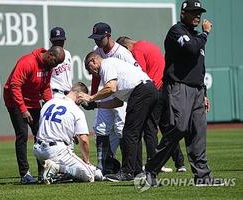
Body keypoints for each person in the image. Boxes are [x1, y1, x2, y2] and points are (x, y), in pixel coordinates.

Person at [141, 0, 224, 186]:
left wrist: (202, 93)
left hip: (196, 90)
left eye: (199, 12)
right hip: (178, 87)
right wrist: (205, 33)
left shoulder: (195, 36)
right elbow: (191, 48)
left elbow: (199, 67)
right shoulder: (177, 31)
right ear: (182, 13)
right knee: (179, 127)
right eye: (193, 11)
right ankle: (151, 169)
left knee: (198, 132)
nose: (197, 15)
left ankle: (202, 177)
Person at [79, 52, 158, 181]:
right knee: (138, 133)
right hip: (150, 90)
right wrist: (96, 105)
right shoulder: (112, 67)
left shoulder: (106, 65)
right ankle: (140, 172)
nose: (92, 73)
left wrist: (91, 97)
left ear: (93, 61)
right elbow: (117, 102)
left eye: (90, 69)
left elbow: (111, 88)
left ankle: (127, 172)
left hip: (140, 91)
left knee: (129, 133)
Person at [116, 36, 186, 173]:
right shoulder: (148, 44)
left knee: (149, 129)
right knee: (166, 128)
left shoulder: (136, 51)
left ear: (125, 47)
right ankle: (180, 162)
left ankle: (154, 162)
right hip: (164, 89)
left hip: (154, 90)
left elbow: (139, 73)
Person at [3, 46, 65, 184]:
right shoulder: (27, 62)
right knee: (22, 135)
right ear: (49, 55)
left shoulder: (48, 67)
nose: (55, 66)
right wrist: (23, 109)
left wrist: (50, 106)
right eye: (55, 62)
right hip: (15, 101)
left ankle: (43, 172)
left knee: (41, 136)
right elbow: (14, 85)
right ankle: (24, 174)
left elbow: (45, 87)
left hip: (33, 101)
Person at [87, 22, 139, 175]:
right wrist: (94, 97)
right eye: (95, 38)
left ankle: (127, 167)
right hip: (106, 93)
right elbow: (96, 77)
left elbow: (137, 72)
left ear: (108, 36)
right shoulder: (96, 51)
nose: (97, 41)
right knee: (100, 127)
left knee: (122, 129)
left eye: (99, 38)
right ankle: (104, 167)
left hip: (123, 94)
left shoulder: (122, 53)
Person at [33, 82, 103, 184]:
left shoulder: (49, 103)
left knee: (81, 170)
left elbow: (45, 126)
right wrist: (86, 162)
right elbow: (84, 140)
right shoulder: (76, 110)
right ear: (80, 95)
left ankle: (58, 171)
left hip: (38, 150)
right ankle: (57, 168)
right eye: (83, 99)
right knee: (89, 175)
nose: (82, 102)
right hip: (56, 151)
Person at [49, 27, 73, 98]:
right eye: (56, 41)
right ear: (51, 41)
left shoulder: (67, 53)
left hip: (68, 94)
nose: (59, 43)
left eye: (61, 40)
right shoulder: (49, 57)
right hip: (55, 94)